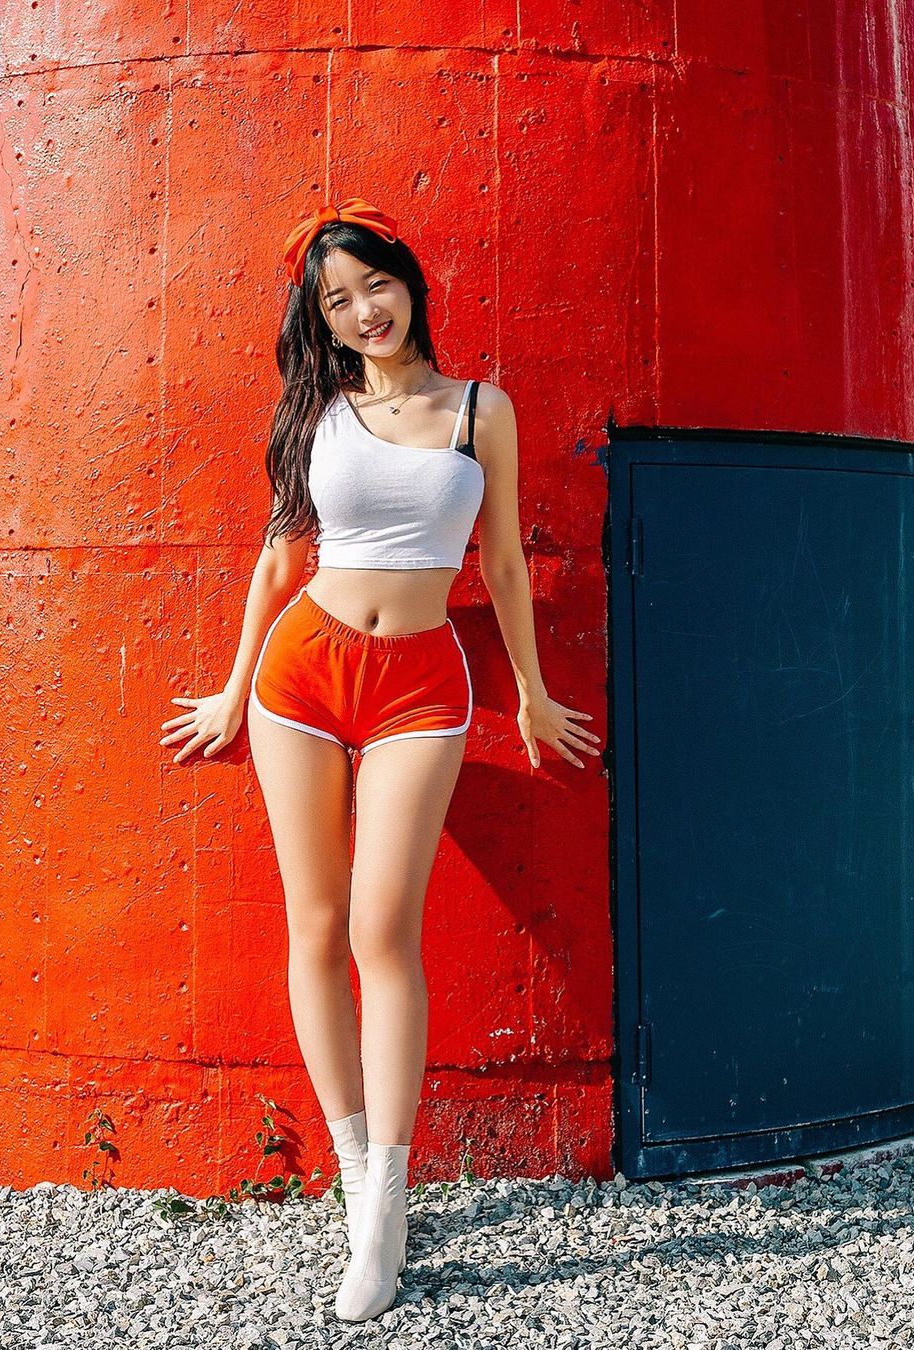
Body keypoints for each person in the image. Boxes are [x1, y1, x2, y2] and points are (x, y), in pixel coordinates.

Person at [158, 196, 601, 1322]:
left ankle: (392, 1204)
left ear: (410, 282)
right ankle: (356, 1175)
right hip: (301, 675)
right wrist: (233, 686)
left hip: (421, 686)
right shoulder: (316, 411)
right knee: (314, 928)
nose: (364, 312)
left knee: (381, 931)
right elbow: (278, 560)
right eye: (337, 301)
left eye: (376, 285)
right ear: (321, 319)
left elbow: (501, 564)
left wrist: (534, 694)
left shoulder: (480, 410)